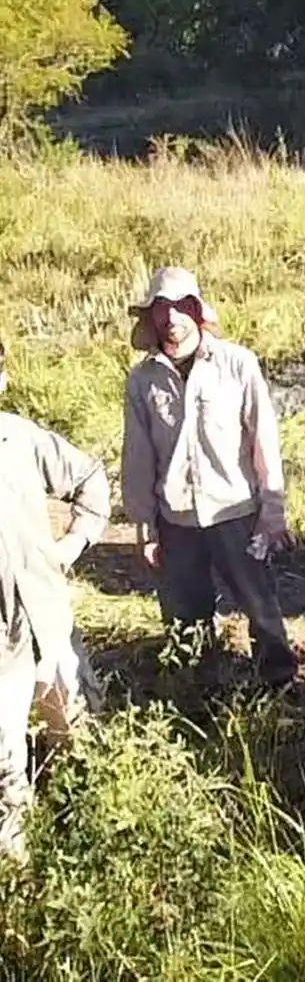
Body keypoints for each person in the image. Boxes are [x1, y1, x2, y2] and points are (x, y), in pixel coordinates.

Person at [121, 267, 299, 689]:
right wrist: (145, 528)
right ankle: (200, 693)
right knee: (186, 614)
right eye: (161, 308)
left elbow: (263, 440)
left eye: (180, 307)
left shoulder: (237, 364)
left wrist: (272, 512)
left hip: (235, 512)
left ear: (196, 310)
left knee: (260, 606)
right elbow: (138, 459)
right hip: (176, 519)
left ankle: (280, 686)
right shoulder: (143, 381)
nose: (171, 318)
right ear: (151, 317)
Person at [0, 341, 110, 861]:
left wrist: (72, 544)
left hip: (49, 618)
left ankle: (96, 833)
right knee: (6, 767)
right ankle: (19, 871)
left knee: (80, 734)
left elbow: (90, 477)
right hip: (3, 645)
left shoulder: (19, 438)